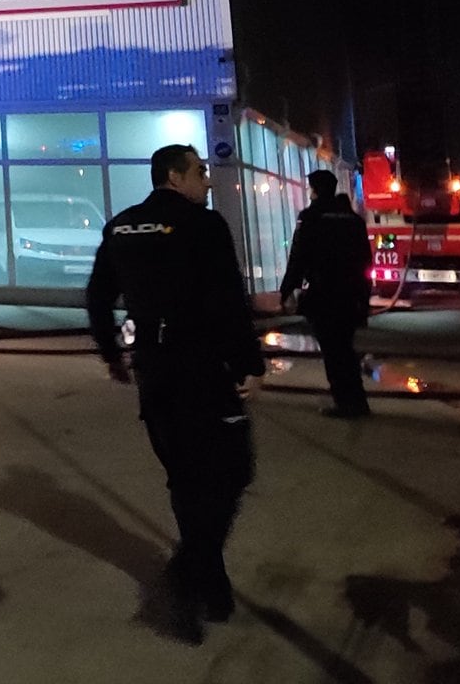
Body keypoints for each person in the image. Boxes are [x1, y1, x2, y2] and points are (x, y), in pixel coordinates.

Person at [86, 144, 265, 632]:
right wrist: (250, 363)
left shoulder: (121, 226)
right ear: (174, 176)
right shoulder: (204, 226)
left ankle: (207, 579)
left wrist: (112, 354)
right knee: (233, 471)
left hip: (154, 370)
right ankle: (191, 572)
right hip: (201, 369)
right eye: (200, 172)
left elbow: (98, 295)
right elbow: (229, 299)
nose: (207, 182)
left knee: (185, 478)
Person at [280, 168, 373, 418]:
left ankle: (345, 403)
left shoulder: (311, 217)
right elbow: (366, 260)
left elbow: (298, 256)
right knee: (346, 348)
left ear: (316, 189)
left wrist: (287, 289)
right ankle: (357, 400)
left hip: (324, 294)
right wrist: (364, 298)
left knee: (333, 352)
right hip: (350, 294)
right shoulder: (353, 219)